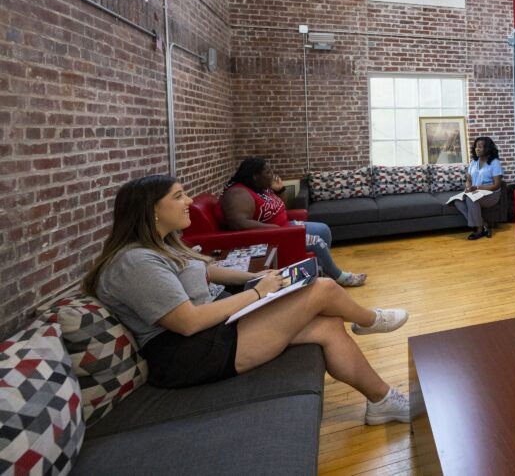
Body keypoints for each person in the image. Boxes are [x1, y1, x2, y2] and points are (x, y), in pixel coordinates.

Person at [83, 175, 410, 424]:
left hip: (211, 332)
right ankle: (369, 321)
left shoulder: (164, 247)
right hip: (188, 353)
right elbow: (187, 322)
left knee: (326, 327)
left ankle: (382, 403)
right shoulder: (135, 262)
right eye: (179, 196)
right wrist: (257, 293)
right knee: (322, 289)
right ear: (151, 211)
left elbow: (209, 273)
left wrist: (263, 278)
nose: (188, 201)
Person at [220, 158, 366, 287]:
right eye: (268, 172)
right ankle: (340, 277)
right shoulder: (238, 194)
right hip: (276, 235)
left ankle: (321, 269)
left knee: (323, 229)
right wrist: (276, 229)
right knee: (317, 241)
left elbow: (278, 208)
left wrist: (279, 190)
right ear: (255, 176)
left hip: (286, 227)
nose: (272, 175)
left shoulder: (260, 188)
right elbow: (239, 223)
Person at [454, 136, 503, 240]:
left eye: (480, 147)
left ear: (487, 148)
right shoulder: (473, 163)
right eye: (476, 147)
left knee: (471, 199)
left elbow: (497, 185)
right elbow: (469, 181)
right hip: (475, 192)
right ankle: (484, 224)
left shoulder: (495, 163)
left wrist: (478, 187)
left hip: (491, 194)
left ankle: (479, 229)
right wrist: (468, 187)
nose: (477, 149)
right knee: (458, 201)